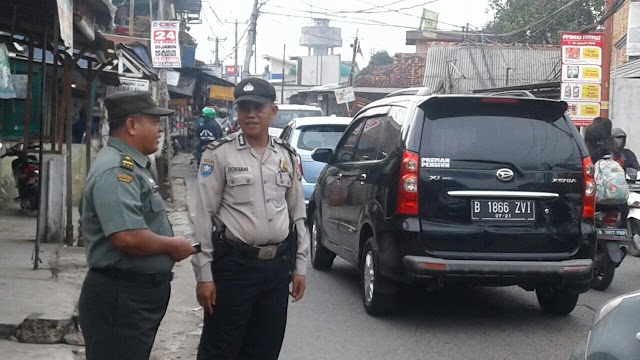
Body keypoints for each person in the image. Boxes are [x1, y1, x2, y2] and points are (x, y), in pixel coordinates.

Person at [191, 78, 309, 360]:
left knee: (265, 348)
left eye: (258, 107)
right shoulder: (218, 154)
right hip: (233, 268)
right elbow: (203, 217)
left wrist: (300, 266)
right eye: (244, 108)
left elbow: (297, 213)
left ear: (273, 111)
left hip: (276, 269)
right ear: (236, 111)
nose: (251, 114)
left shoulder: (286, 155)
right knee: (221, 348)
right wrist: (204, 276)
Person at [78, 91, 197, 360]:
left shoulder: (134, 166)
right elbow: (127, 237)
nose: (159, 129)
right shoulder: (117, 170)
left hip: (133, 297)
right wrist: (172, 245)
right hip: (121, 298)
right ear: (131, 125)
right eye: (154, 122)